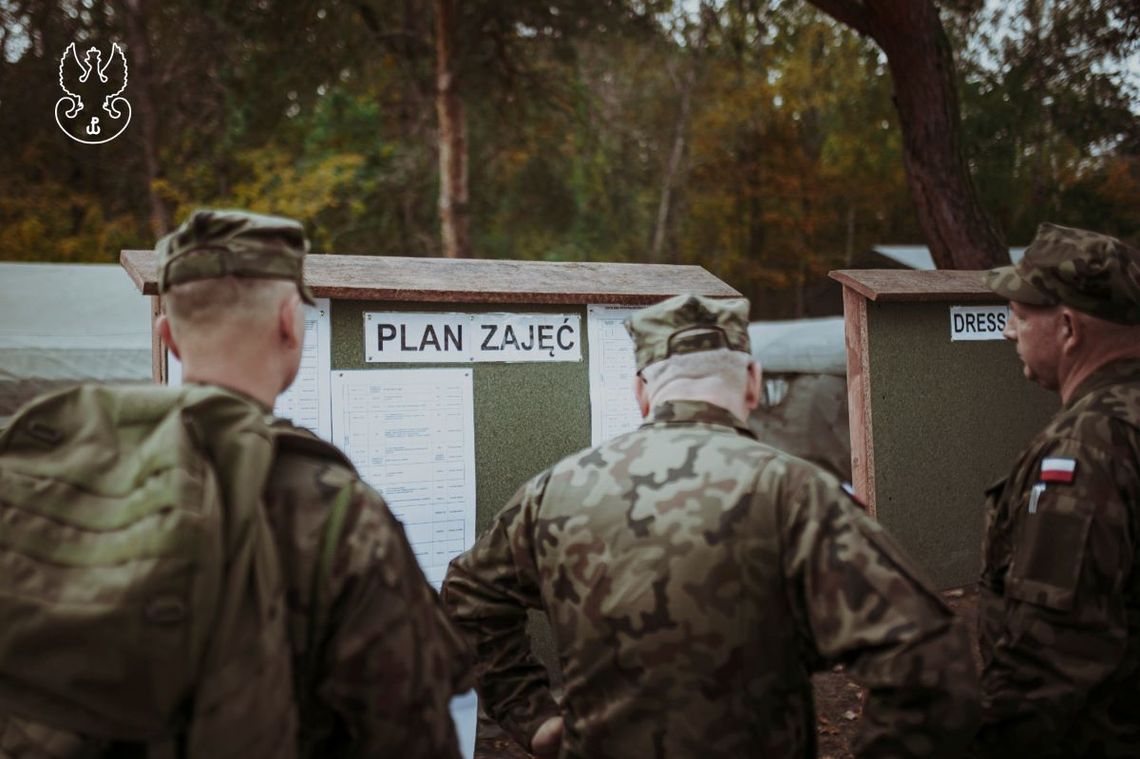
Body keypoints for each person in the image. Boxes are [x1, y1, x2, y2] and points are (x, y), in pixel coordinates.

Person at [0, 209, 471, 757]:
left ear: (167, 335)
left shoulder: (45, 470)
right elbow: (409, 730)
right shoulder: (337, 511)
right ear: (290, 324)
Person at [442, 293, 979, 758]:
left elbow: (468, 595)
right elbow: (928, 655)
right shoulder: (796, 492)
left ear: (642, 390)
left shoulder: (555, 490)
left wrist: (533, 718)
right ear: (751, 380)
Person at [974, 222, 1140, 757]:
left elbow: (1050, 661)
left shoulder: (1090, 444)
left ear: (1068, 328)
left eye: (1020, 317)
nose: (1007, 331)